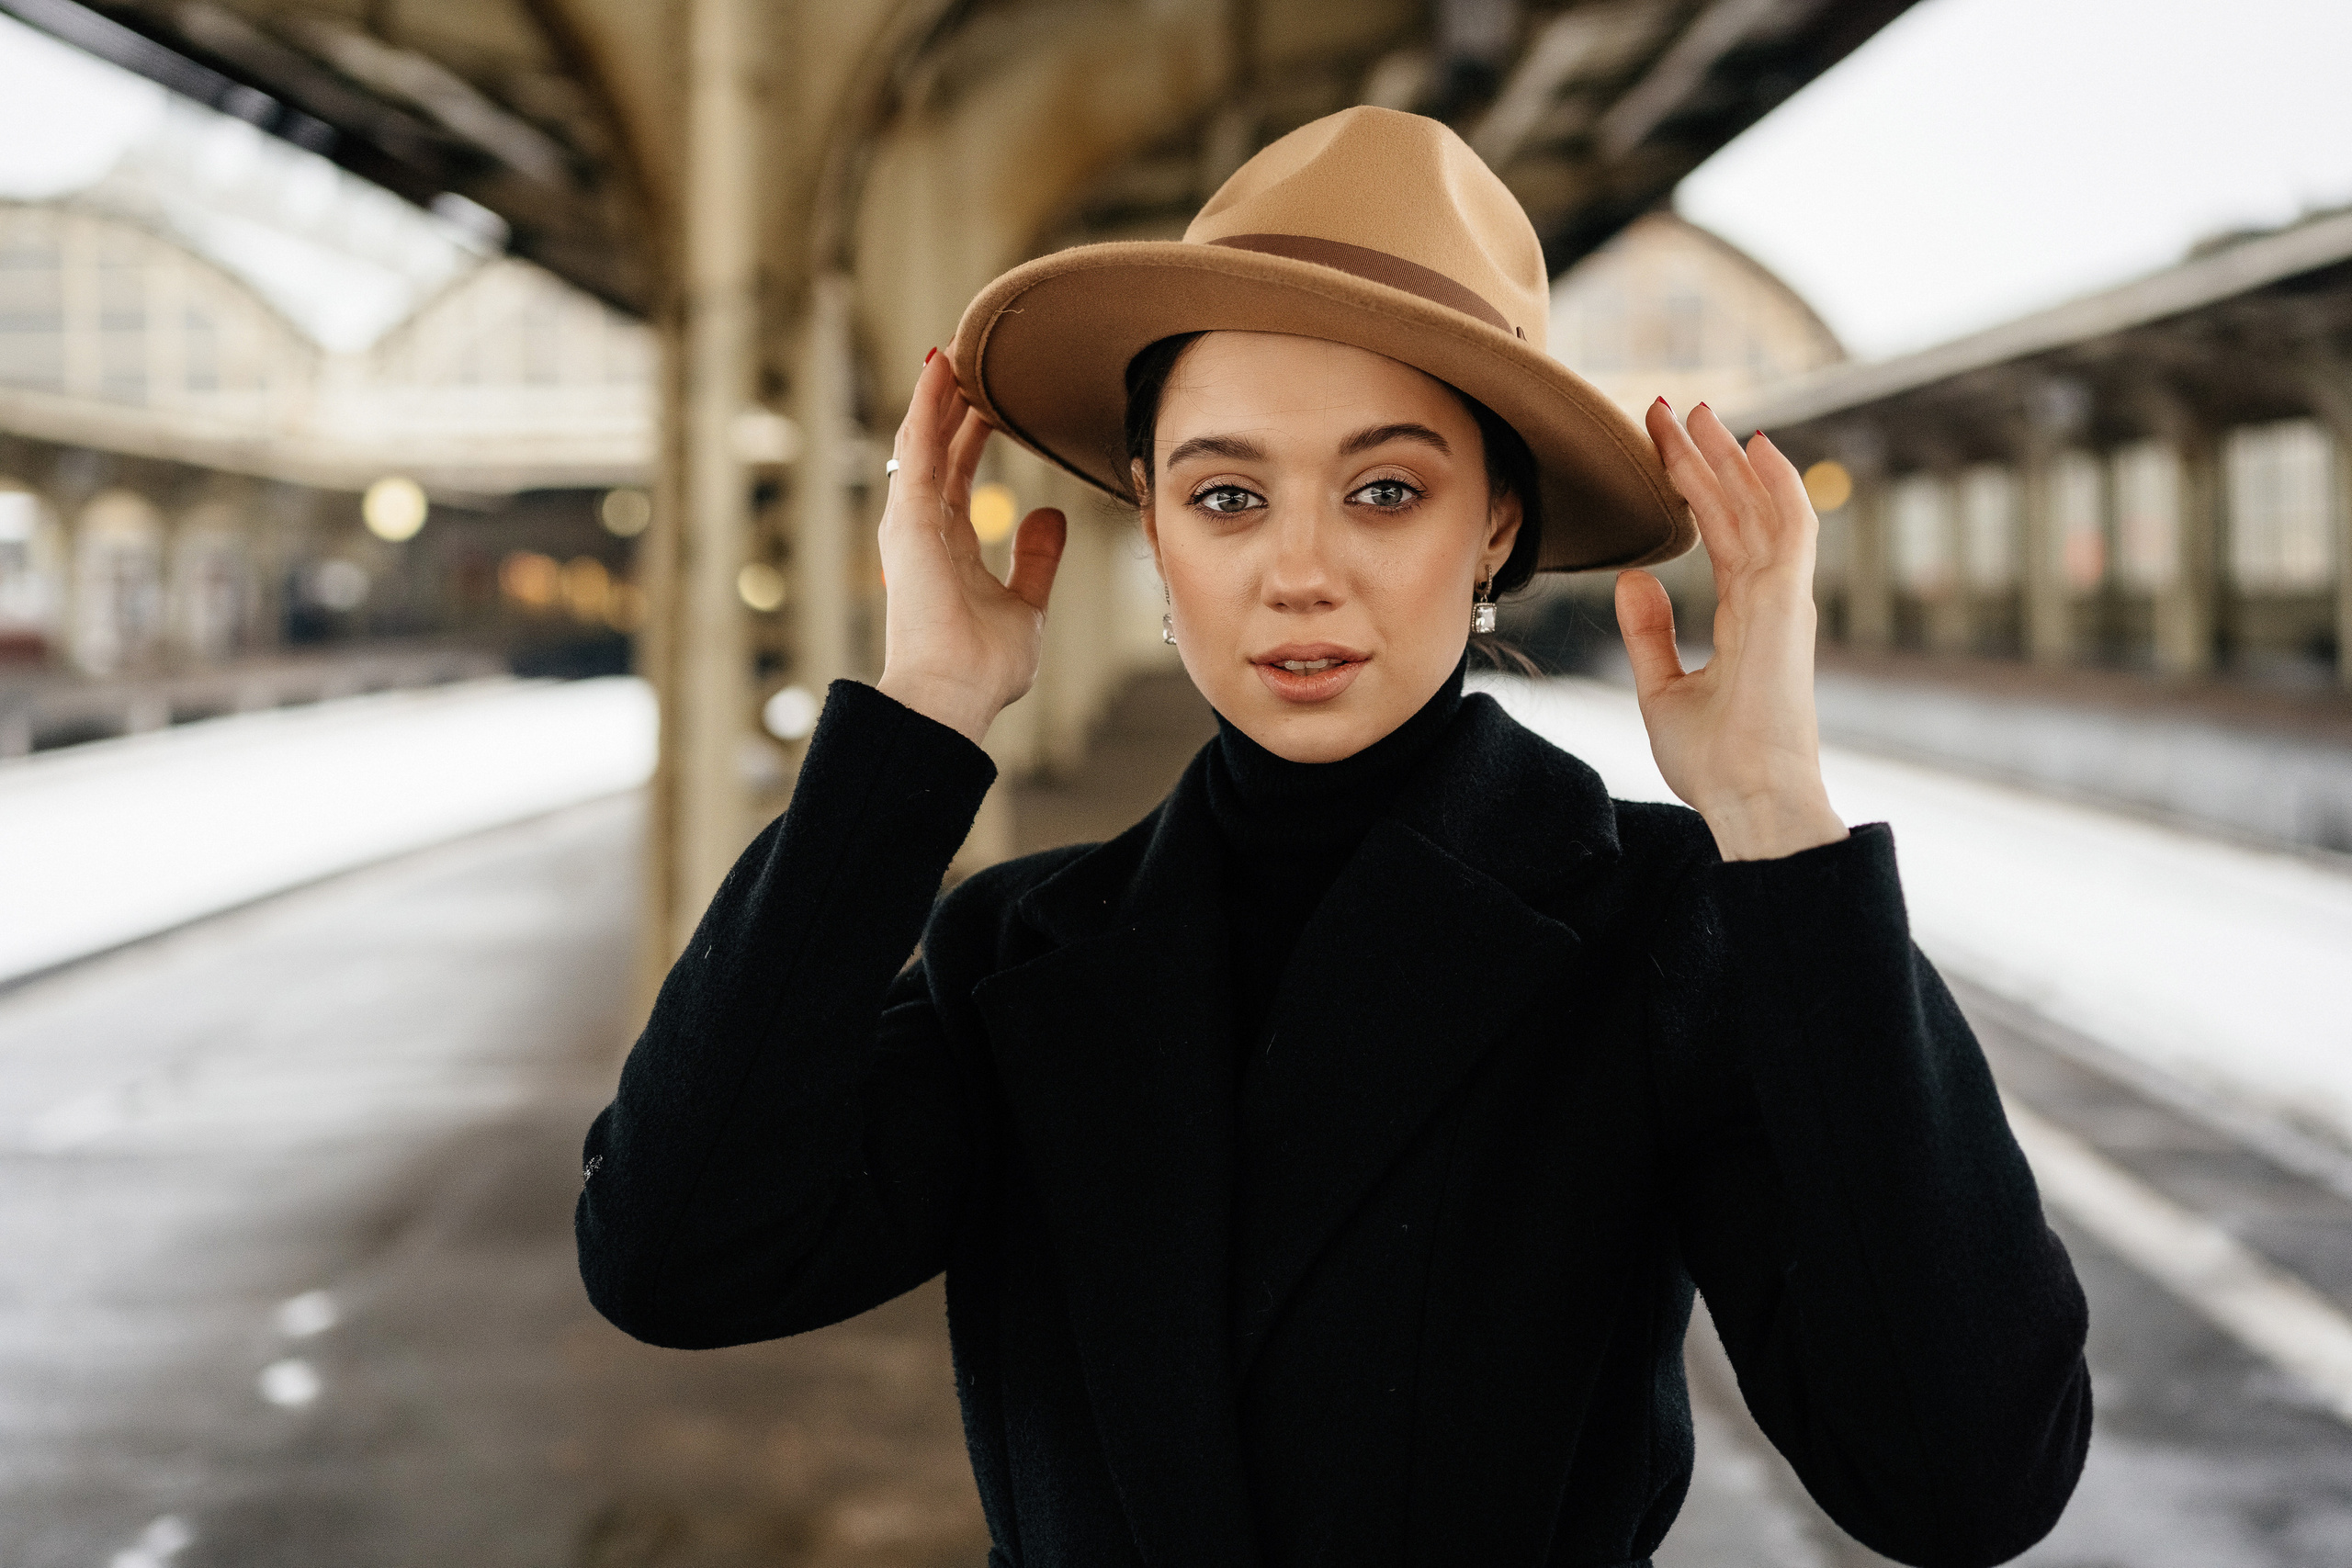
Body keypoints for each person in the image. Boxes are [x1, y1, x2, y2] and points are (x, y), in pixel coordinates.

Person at [577, 107, 2090, 1568]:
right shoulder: (1018, 953)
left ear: (1495, 523)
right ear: (1152, 529)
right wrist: (917, 720)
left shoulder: (1654, 926)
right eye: (1226, 495)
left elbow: (1963, 1481)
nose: (1298, 573)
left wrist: (1776, 817)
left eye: (1385, 491)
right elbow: (676, 1258)